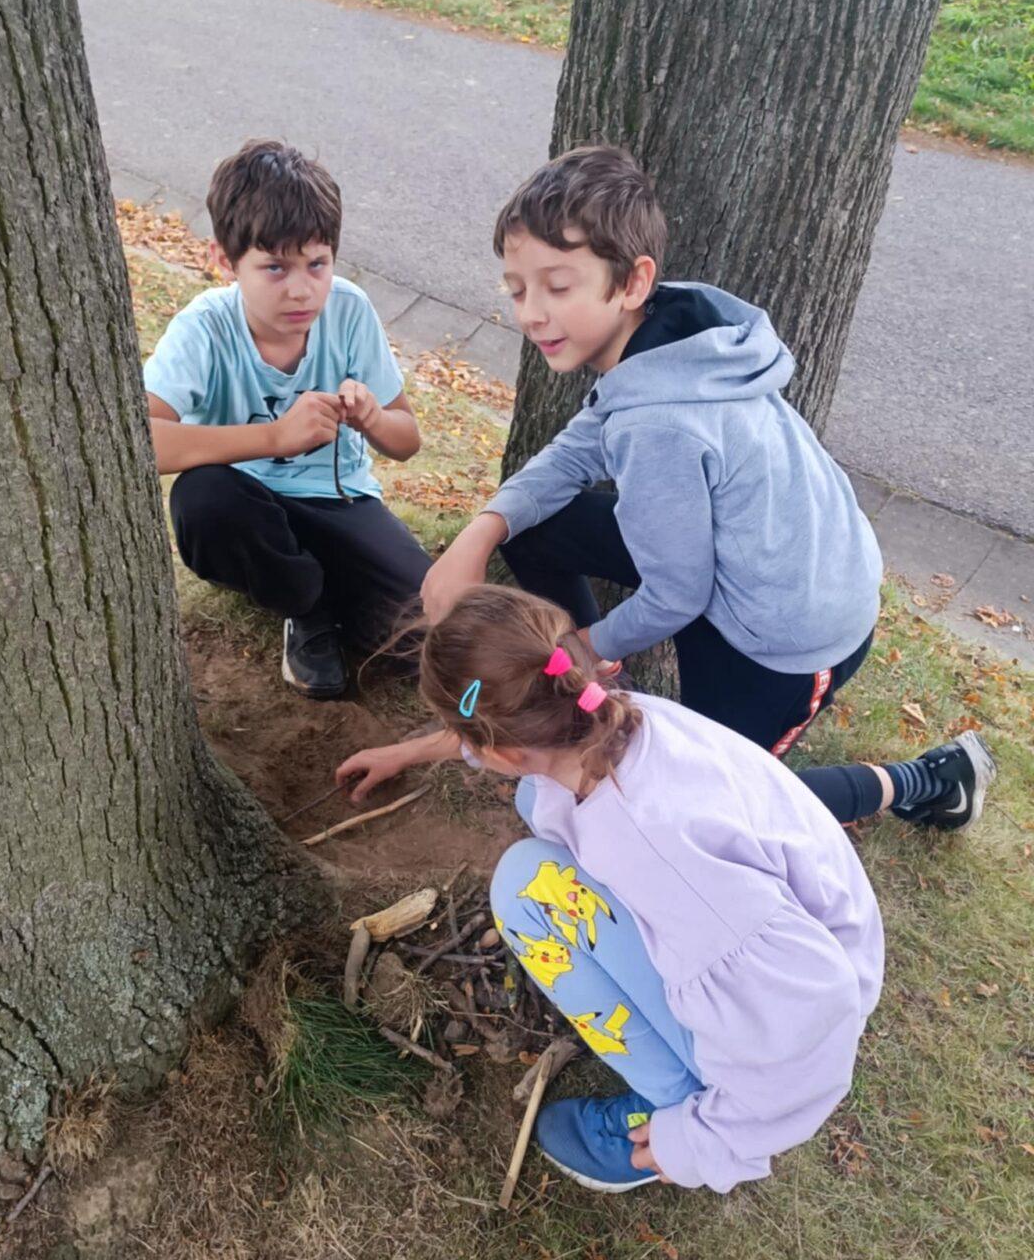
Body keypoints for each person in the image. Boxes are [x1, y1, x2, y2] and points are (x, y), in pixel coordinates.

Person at [335, 586, 961, 1194]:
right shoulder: (611, 714)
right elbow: (510, 722)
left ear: (497, 750)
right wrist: (414, 751)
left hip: (792, 1004)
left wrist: (702, 1140)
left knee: (525, 893)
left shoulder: (660, 854)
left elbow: (806, 1019)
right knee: (537, 803)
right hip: (789, 931)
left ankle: (677, 1095)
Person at [423, 143, 883, 758]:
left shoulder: (659, 425)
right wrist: (477, 536)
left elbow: (676, 595)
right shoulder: (671, 340)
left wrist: (587, 648)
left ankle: (923, 783)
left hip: (785, 638)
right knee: (535, 526)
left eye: (557, 286)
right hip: (736, 562)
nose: (531, 314)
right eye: (516, 290)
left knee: (716, 786)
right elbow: (573, 453)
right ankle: (599, 693)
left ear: (634, 281)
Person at [143, 138, 429, 698]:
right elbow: (141, 443)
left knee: (430, 635)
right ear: (224, 261)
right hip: (247, 504)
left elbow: (407, 440)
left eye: (316, 264)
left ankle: (343, 594)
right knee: (202, 498)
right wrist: (274, 436)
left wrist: (372, 416)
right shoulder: (205, 326)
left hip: (341, 503)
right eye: (274, 267)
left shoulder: (348, 310)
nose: (301, 289)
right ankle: (309, 608)